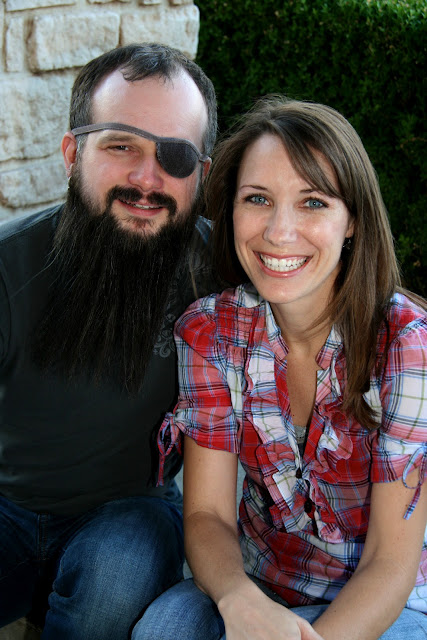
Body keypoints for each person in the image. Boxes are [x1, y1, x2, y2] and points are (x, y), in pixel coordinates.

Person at [133, 96, 427, 640]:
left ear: (352, 221)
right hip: (261, 582)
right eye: (258, 199)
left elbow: (389, 562)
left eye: (313, 202)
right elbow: (207, 517)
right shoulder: (211, 332)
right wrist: (240, 600)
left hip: (388, 601)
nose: (278, 231)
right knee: (162, 629)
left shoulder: (407, 346)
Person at [0, 43, 217, 638]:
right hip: (9, 507)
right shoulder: (8, 267)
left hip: (132, 511)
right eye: (121, 146)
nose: (147, 179)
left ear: (201, 174)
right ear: (72, 153)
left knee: (115, 581)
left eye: (175, 156)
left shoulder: (221, 274)